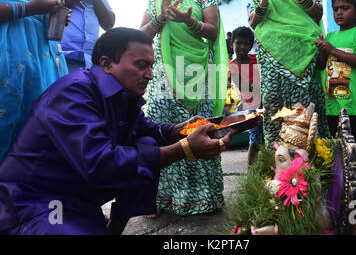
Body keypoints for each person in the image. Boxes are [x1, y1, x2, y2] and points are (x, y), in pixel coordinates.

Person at [0, 27, 232, 235]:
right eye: (141, 66)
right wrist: (185, 148)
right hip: (36, 203)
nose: (150, 75)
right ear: (107, 63)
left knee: (146, 143)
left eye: (151, 66)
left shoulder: (122, 93)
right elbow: (101, 162)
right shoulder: (73, 94)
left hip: (78, 197)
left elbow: (147, 130)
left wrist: (182, 130)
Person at [139, 0, 228, 216]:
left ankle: (203, 197)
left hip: (196, 72)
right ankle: (157, 198)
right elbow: (141, 34)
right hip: (163, 74)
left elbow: (213, 31)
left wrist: (190, 21)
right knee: (159, 131)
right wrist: (161, 17)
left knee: (197, 126)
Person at [248, 0, 329, 149]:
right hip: (271, 50)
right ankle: (277, 164)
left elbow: (318, 13)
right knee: (274, 104)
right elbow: (254, 22)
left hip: (303, 49)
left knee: (303, 107)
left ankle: (309, 165)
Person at [0, 0, 69, 162]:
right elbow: (27, 9)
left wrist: (54, 15)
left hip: (39, 67)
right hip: (8, 62)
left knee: (31, 133)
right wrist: (28, 8)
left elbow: (38, 16)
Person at [315, 0, 356, 176]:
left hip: (354, 104)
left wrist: (332, 50)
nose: (339, 12)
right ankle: (343, 182)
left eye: (345, 8)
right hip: (333, 104)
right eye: (335, 9)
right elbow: (321, 65)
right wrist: (323, 51)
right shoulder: (331, 36)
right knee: (338, 145)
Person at [228, 26, 263, 166]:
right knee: (254, 141)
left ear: (250, 46)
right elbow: (246, 90)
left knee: (268, 140)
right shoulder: (232, 66)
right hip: (252, 109)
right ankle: (251, 174)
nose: (242, 47)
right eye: (238, 43)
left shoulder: (256, 59)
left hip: (267, 104)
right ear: (232, 44)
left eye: (246, 44)